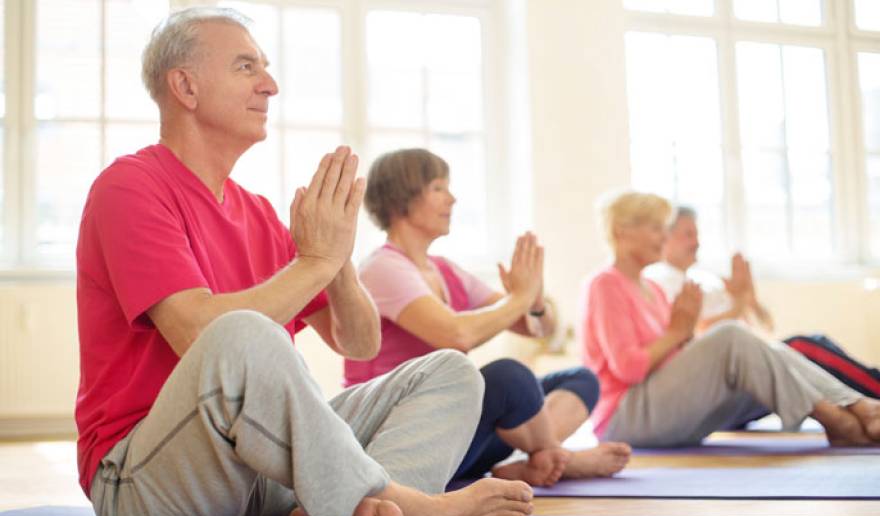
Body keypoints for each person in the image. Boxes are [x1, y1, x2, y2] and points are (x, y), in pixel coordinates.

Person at [75, 8, 533, 516]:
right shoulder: (130, 186)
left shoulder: (259, 214)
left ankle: (350, 513)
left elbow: (359, 342)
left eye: (264, 68)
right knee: (242, 333)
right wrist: (315, 260)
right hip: (149, 482)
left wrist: (337, 260)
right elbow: (196, 333)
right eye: (246, 67)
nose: (270, 84)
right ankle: (403, 506)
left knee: (450, 372)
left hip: (261, 478)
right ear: (186, 87)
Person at [344, 148, 631, 487]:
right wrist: (519, 298)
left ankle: (538, 459)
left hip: (452, 434)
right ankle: (558, 458)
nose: (452, 199)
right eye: (438, 188)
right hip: (400, 438)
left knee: (581, 379)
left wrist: (535, 301)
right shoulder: (382, 268)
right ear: (399, 199)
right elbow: (456, 334)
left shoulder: (445, 270)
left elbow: (536, 328)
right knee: (509, 378)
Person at [577, 190, 880, 448]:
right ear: (622, 232)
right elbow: (628, 368)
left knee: (771, 354)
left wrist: (685, 334)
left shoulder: (653, 289)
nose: (664, 237)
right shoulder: (605, 285)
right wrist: (677, 333)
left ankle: (857, 406)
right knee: (730, 334)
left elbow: (676, 357)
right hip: (624, 418)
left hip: (662, 406)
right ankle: (838, 419)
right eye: (656, 228)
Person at [645, 206, 880, 399]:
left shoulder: (706, 278)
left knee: (816, 343)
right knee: (805, 347)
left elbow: (766, 324)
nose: (696, 242)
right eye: (688, 235)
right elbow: (695, 333)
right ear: (666, 238)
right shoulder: (660, 279)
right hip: (724, 369)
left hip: (753, 353)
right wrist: (738, 303)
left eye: (697, 234)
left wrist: (749, 295)